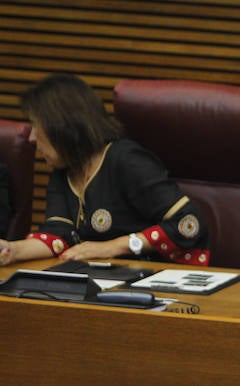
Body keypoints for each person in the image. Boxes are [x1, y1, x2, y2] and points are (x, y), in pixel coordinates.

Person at [0, 73, 210, 267]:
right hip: (101, 280)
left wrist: (113, 246)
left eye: (36, 126)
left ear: (61, 126)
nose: (32, 137)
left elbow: (188, 222)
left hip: (152, 279)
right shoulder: (63, 170)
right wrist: (12, 250)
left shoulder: (126, 160)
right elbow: (58, 235)